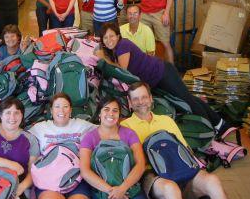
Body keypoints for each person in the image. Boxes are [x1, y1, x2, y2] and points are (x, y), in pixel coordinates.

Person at [121, 82, 236, 199]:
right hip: (153, 174)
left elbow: (185, 149)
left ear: (151, 99)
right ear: (130, 103)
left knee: (213, 181)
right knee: (171, 188)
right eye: (136, 99)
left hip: (179, 167)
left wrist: (199, 169)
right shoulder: (126, 126)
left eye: (144, 97)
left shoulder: (166, 120)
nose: (141, 102)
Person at [97, 22, 229, 134]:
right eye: (105, 38)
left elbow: (122, 70)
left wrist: (104, 60)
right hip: (156, 78)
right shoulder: (114, 50)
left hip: (163, 73)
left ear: (118, 36)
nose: (109, 40)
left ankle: (211, 128)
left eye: (112, 36)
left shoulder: (122, 45)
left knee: (187, 100)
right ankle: (219, 123)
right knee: (187, 98)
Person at [28, 93, 97, 199]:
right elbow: (20, 138)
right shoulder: (40, 128)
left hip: (77, 179)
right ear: (51, 110)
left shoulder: (81, 125)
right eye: (57, 107)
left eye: (65, 107)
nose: (61, 111)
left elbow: (105, 131)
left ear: (71, 110)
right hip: (48, 180)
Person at [80, 97, 148, 199]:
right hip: (102, 193)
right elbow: (85, 171)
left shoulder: (129, 134)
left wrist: (122, 188)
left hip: (131, 190)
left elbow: (140, 164)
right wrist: (112, 191)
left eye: (115, 110)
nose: (110, 114)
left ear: (119, 115)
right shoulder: (89, 138)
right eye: (106, 109)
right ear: (99, 113)